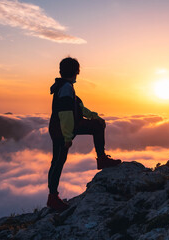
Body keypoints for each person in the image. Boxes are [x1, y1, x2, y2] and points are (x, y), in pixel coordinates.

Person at [47, 57, 122, 211]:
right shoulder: (66, 88)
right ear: (77, 71)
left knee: (97, 126)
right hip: (61, 130)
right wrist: (67, 137)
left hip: (65, 127)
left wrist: (95, 117)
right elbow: (66, 114)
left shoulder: (64, 86)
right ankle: (53, 197)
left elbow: (79, 107)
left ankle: (102, 159)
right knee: (58, 162)